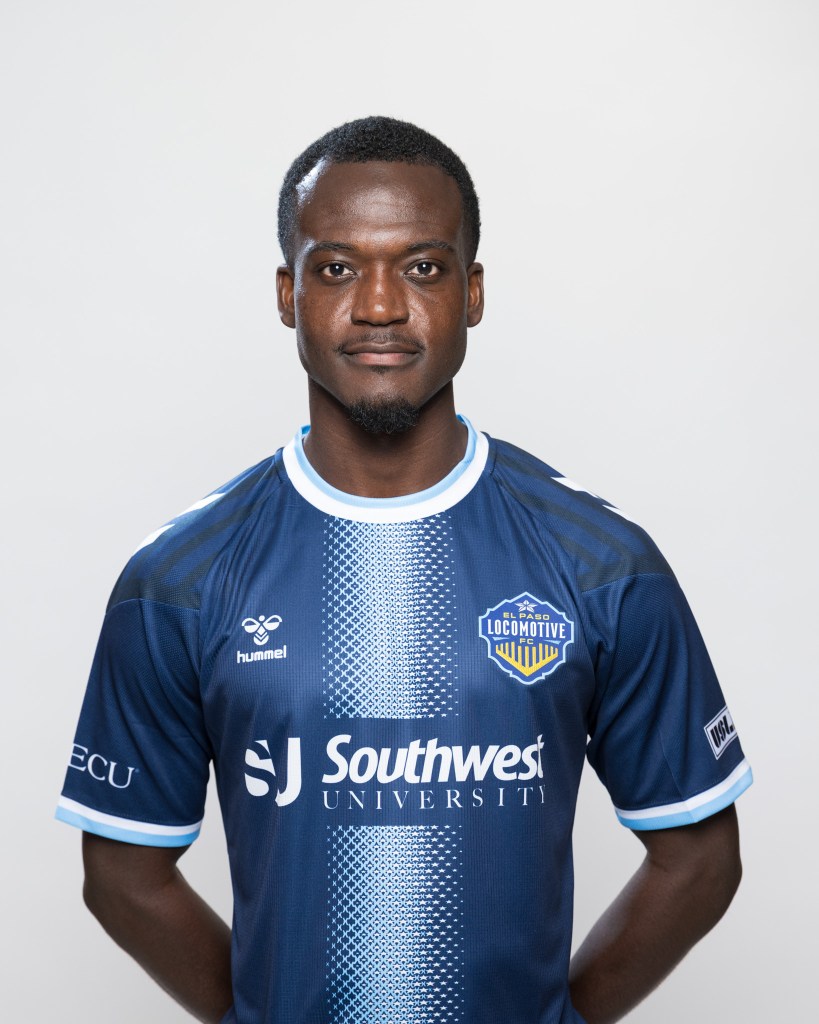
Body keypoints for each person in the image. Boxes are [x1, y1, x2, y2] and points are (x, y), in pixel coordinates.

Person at [57, 116, 752, 1024]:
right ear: (286, 294)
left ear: (472, 292)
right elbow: (121, 872)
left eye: (422, 267)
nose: (379, 306)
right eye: (335, 269)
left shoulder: (601, 566)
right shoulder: (179, 579)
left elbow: (700, 859)